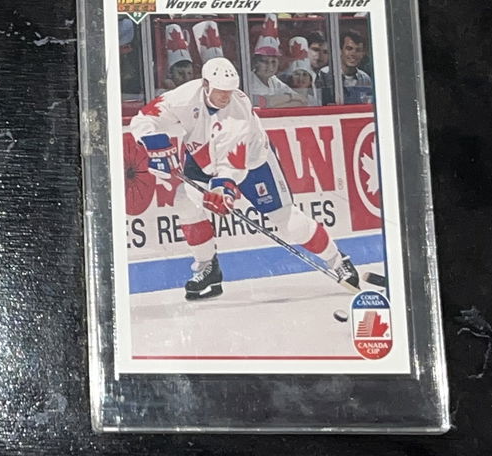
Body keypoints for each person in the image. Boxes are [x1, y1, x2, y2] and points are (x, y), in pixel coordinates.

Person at [131, 57, 357, 301]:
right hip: (200, 157)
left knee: (286, 221)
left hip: (253, 164)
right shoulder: (183, 97)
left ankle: (337, 260)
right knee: (185, 202)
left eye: (229, 91)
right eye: (220, 91)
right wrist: (154, 143)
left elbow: (232, 166)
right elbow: (143, 119)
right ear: (205, 84)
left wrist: (223, 191)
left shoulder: (237, 113)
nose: (226, 97)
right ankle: (207, 267)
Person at [318, 28, 374, 105]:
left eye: (358, 50)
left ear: (362, 54)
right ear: (340, 50)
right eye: (349, 49)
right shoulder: (324, 74)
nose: (353, 54)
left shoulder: (365, 79)